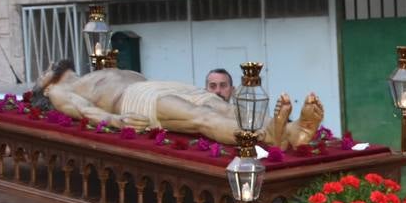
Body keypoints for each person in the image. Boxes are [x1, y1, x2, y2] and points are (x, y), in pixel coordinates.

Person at [39, 63, 324, 148]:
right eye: (42, 72)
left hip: (159, 85)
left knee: (223, 106)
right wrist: (116, 121)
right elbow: (84, 111)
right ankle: (266, 137)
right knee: (201, 117)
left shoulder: (90, 72)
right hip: (135, 99)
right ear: (42, 84)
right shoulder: (58, 90)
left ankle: (289, 130)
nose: (48, 67)